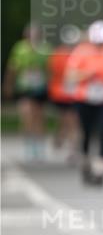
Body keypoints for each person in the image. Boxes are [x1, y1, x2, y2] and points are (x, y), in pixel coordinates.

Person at [65, 20, 103, 185]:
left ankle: (101, 168)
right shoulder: (81, 51)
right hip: (85, 99)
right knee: (87, 132)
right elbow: (70, 76)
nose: (100, 44)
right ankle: (86, 162)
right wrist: (87, 75)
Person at [3, 24, 49, 160]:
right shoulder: (20, 48)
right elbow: (12, 68)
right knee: (27, 115)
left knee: (39, 117)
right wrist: (8, 85)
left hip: (40, 88)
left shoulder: (44, 49)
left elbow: (49, 69)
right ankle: (29, 143)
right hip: (24, 87)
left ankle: (39, 146)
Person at [47, 30, 80, 161]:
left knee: (73, 121)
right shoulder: (58, 54)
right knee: (66, 120)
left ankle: (72, 150)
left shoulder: (80, 53)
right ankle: (60, 137)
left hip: (76, 93)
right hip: (61, 93)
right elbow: (54, 72)